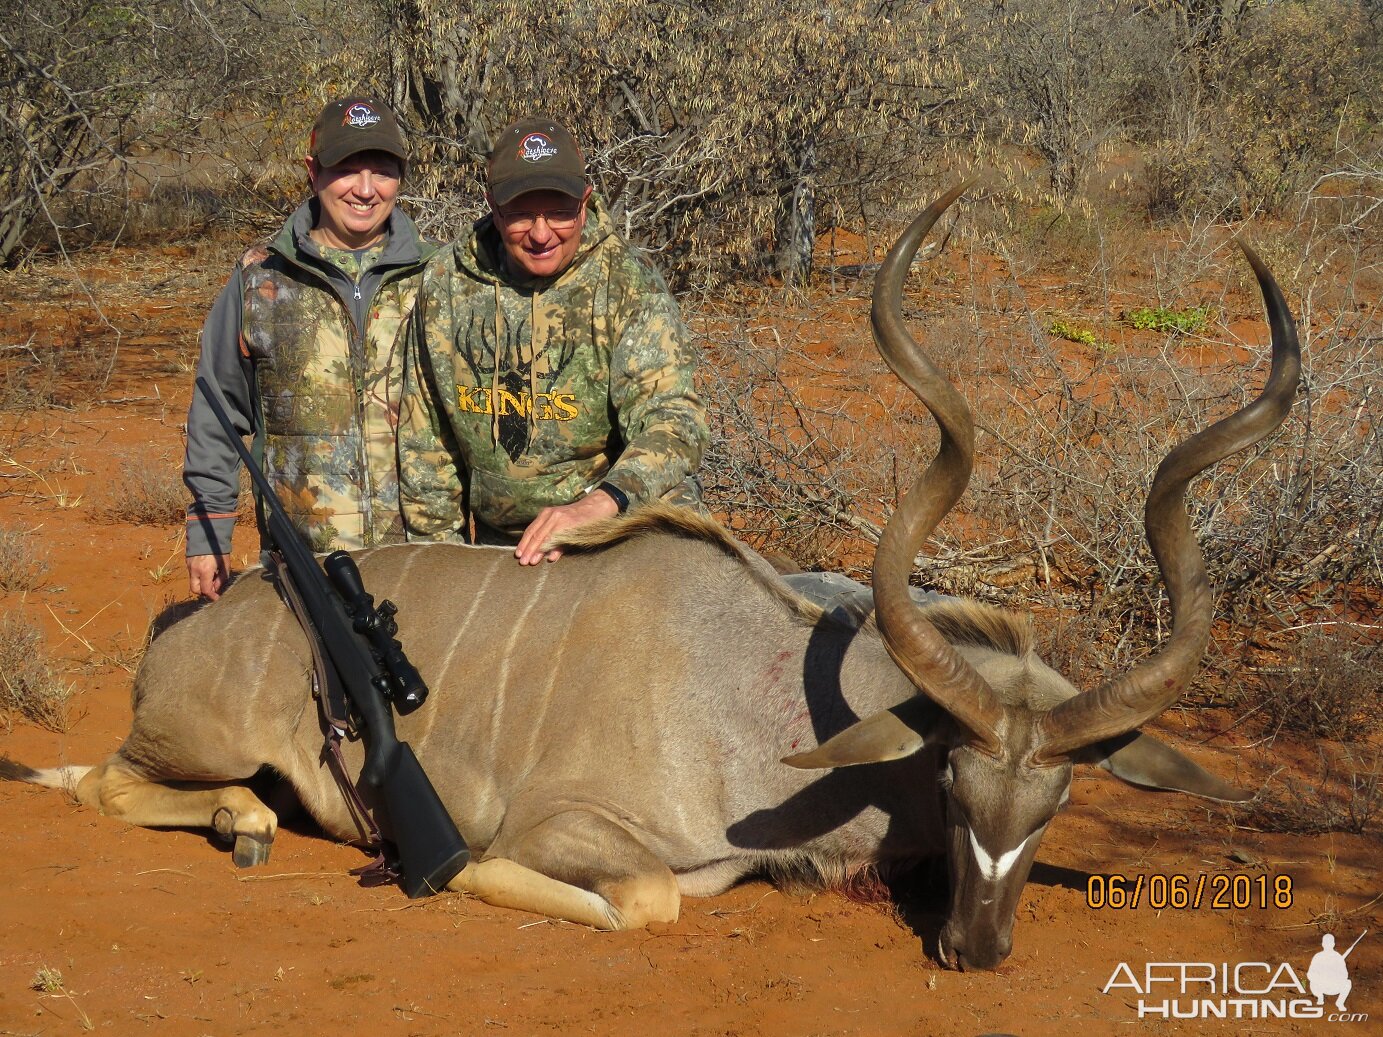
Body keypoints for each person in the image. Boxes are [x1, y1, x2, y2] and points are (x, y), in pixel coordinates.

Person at [398, 115, 708, 564]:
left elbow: (676, 420)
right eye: (522, 213)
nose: (541, 234)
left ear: (585, 203)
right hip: (504, 547)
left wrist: (600, 505)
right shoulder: (446, 283)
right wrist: (441, 566)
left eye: (560, 212)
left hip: (614, 528)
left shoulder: (625, 283)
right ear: (493, 206)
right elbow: (425, 443)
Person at [184, 97, 442, 599]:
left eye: (382, 171)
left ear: (401, 177)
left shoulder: (441, 278)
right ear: (313, 172)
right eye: (347, 169)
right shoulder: (259, 281)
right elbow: (219, 411)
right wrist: (209, 529)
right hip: (303, 567)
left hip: (425, 566)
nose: (365, 190)